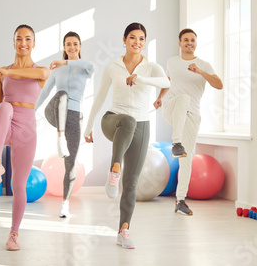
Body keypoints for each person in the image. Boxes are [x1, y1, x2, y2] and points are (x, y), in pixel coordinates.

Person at [84, 23, 170, 249]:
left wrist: (141, 79)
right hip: (114, 120)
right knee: (128, 120)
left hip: (141, 126)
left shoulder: (151, 67)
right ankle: (114, 169)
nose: (137, 42)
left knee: (131, 183)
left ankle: (123, 230)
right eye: (133, 38)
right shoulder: (113, 67)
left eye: (142, 39)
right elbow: (100, 97)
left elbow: (166, 83)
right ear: (124, 40)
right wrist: (88, 127)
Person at [0, 24, 49, 251]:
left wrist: (8, 72)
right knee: (5, 107)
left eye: (28, 39)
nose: (23, 43)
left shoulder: (42, 71)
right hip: (4, 125)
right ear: (13, 42)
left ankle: (13, 234)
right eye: (19, 39)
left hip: (26, 131)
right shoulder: (2, 72)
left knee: (18, 185)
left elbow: (36, 74)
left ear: (33, 43)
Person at [154, 28, 223, 216]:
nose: (189, 43)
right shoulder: (172, 62)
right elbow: (167, 82)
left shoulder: (203, 65)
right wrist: (160, 97)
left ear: (196, 43)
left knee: (187, 158)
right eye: (185, 40)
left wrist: (200, 71)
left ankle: (180, 201)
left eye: (192, 40)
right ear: (180, 43)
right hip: (172, 109)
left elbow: (219, 84)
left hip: (192, 115)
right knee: (183, 98)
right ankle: (176, 142)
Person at [36, 31, 94, 218]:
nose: (72, 47)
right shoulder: (57, 70)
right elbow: (45, 92)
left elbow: (90, 65)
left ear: (80, 46)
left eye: (75, 44)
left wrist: (66, 62)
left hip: (74, 117)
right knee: (62, 94)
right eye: (68, 44)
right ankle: (60, 138)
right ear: (64, 47)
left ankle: (65, 205)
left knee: (70, 164)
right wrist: (32, 111)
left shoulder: (84, 68)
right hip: (54, 112)